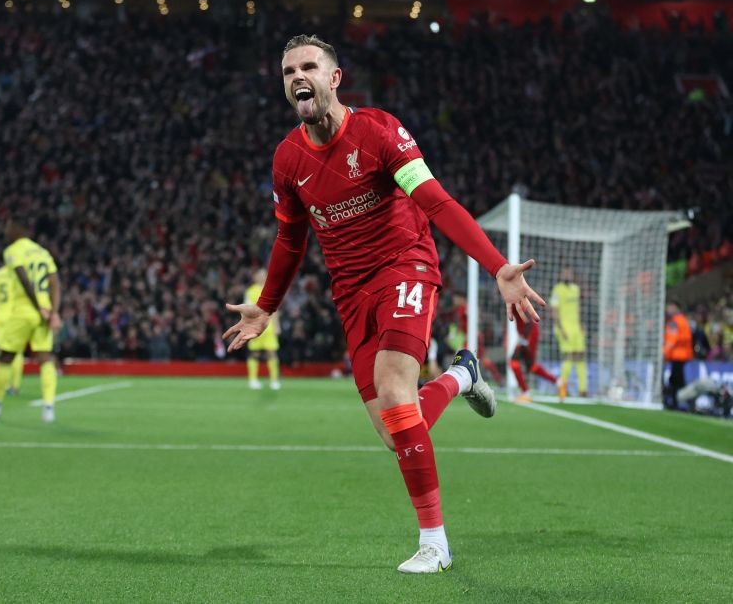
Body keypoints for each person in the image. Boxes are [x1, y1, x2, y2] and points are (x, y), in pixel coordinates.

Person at [223, 35, 544, 574]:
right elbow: (289, 241)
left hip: (405, 266)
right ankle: (462, 376)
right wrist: (266, 304)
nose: (297, 77)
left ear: (334, 78)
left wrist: (497, 267)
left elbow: (435, 201)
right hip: (350, 292)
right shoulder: (287, 159)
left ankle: (434, 543)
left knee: (397, 392)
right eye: (287, 72)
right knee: (397, 433)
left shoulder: (378, 131)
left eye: (308, 67)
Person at [0, 219, 61, 423]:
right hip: (44, 309)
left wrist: (37, 307)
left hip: (23, 311)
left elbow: (23, 279)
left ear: (17, 229)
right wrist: (53, 312)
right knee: (45, 357)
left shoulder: (13, 250)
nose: (5, 231)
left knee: (5, 356)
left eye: (7, 227)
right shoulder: (42, 252)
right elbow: (55, 282)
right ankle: (48, 407)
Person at [0, 264, 24, 395]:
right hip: (15, 316)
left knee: (1, 352)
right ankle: (16, 384)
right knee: (17, 352)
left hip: (0, 317)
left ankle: (3, 384)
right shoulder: (18, 273)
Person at [550, 266, 587, 400]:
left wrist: (581, 324)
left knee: (580, 356)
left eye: (569, 272)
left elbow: (578, 309)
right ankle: (562, 388)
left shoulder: (576, 289)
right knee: (569, 357)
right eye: (564, 272)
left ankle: (583, 390)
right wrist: (560, 328)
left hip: (576, 327)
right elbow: (554, 311)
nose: (567, 275)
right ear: (561, 275)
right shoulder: (557, 290)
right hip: (564, 327)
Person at [244, 269, 281, 390]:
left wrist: (277, 325)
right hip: (255, 326)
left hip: (269, 327)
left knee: (271, 352)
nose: (262, 277)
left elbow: (275, 309)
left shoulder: (271, 289)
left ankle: (274, 380)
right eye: (259, 275)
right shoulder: (250, 291)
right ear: (255, 277)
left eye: (264, 275)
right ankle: (253, 380)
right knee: (255, 353)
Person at [508, 316, 560, 403]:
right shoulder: (511, 304)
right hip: (526, 334)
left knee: (516, 363)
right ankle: (558, 382)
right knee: (530, 366)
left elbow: (527, 316)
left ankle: (525, 393)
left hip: (529, 333)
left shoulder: (515, 303)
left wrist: (524, 339)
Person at [663, 301, 693, 410]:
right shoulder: (683, 320)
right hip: (683, 355)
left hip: (677, 355)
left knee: (675, 380)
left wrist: (664, 353)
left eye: (670, 307)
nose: (668, 310)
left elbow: (672, 339)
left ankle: (677, 402)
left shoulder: (674, 322)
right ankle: (680, 402)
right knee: (678, 379)